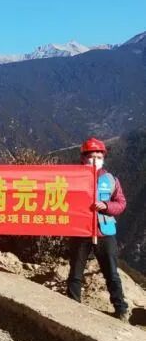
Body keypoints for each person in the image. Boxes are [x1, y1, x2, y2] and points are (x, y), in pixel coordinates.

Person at [66, 137, 129, 323]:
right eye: (91, 156)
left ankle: (121, 309)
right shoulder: (72, 178)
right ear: (83, 158)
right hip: (80, 231)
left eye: (99, 157)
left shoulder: (111, 180)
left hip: (104, 231)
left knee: (111, 273)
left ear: (103, 158)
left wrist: (106, 206)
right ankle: (72, 307)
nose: (95, 160)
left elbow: (121, 203)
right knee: (75, 272)